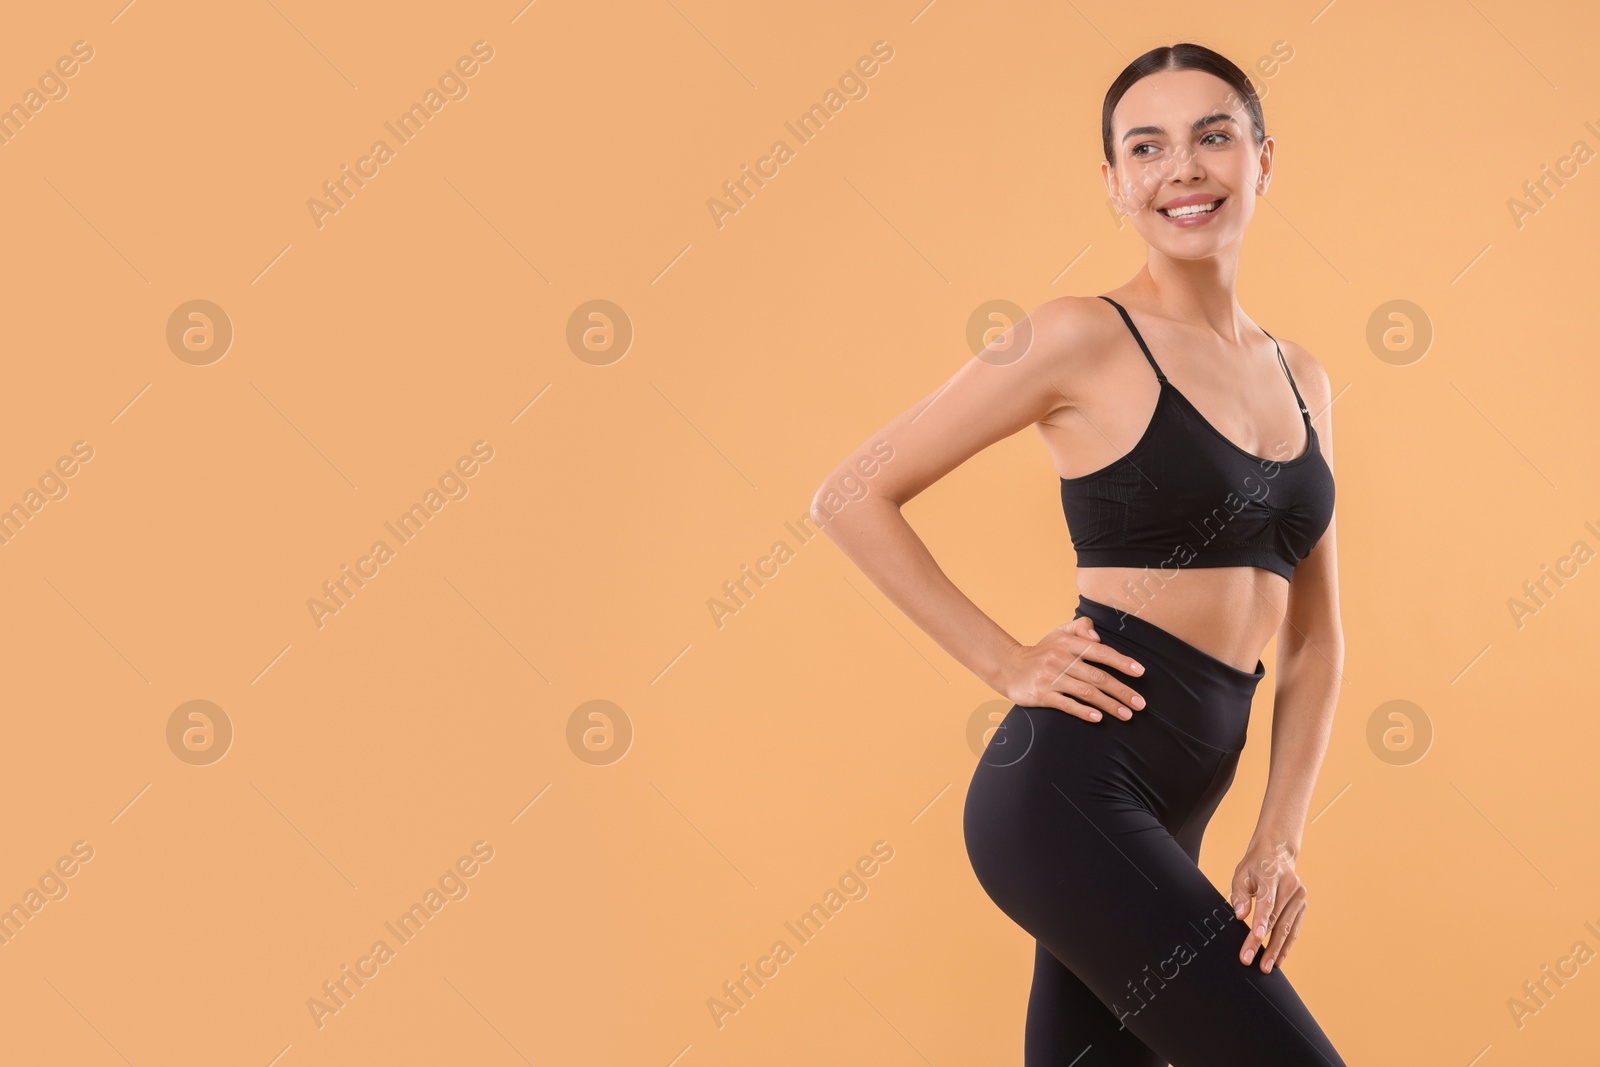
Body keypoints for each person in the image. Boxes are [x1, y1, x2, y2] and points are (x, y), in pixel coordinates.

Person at [814, 42, 1348, 1066]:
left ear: (1263, 160)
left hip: (1183, 797)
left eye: (1211, 136)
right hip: (1069, 791)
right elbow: (850, 494)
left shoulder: (1303, 377)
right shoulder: (1077, 336)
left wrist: (1277, 836)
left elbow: (1316, 644)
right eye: (1145, 147)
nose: (1180, 167)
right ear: (1114, 184)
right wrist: (1004, 660)